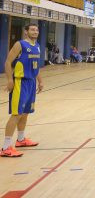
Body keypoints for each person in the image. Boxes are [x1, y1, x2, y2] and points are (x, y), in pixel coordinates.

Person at [1, 24, 42, 158]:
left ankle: (21, 139)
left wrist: (40, 80)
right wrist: (10, 80)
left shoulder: (37, 46)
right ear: (26, 32)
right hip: (20, 82)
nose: (35, 32)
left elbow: (36, 65)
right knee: (16, 114)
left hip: (31, 82)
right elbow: (7, 62)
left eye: (36, 30)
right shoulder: (20, 44)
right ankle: (6, 147)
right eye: (32, 29)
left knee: (25, 113)